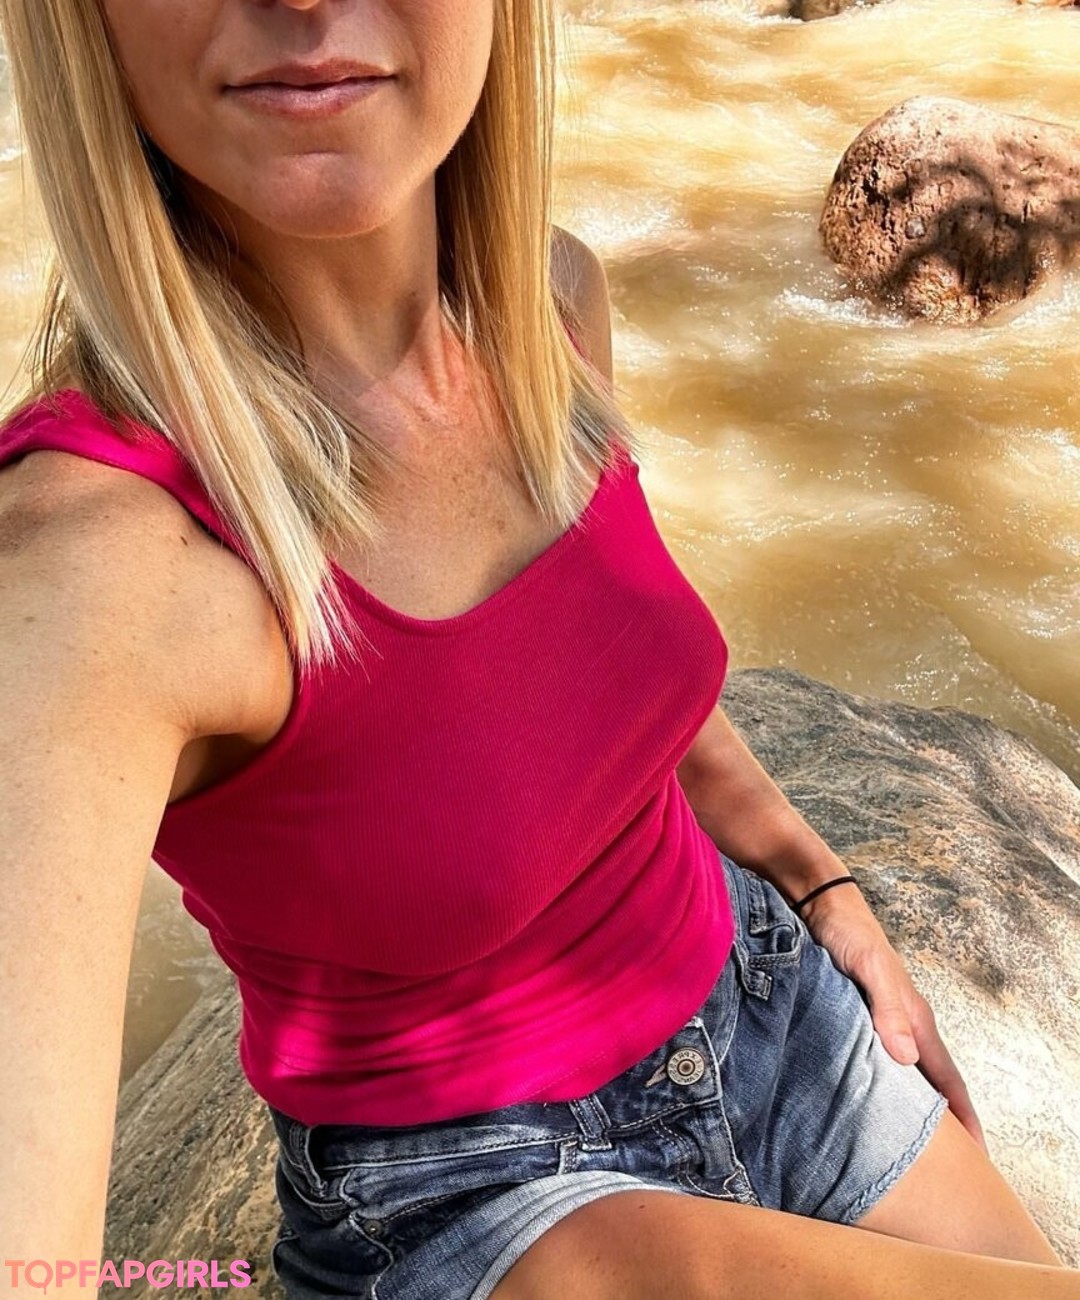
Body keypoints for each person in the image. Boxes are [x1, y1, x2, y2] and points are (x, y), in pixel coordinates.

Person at [0, 2, 1076, 1297]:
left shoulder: (549, 302)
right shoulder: (86, 570)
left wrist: (820, 884)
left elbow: (608, 680)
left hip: (772, 1017)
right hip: (474, 1199)